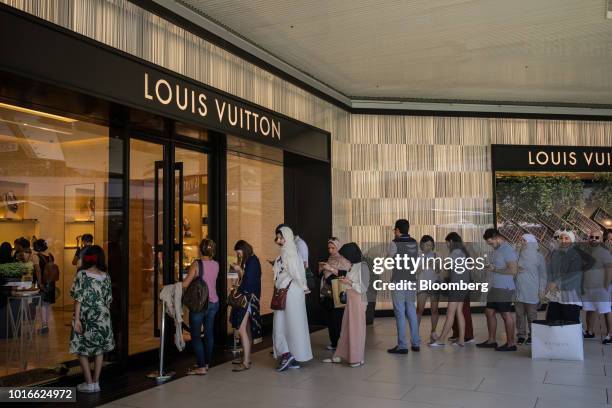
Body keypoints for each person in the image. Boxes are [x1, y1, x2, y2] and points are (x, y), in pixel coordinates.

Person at [69, 245, 114, 393]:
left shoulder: (82, 274)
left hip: (86, 315)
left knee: (82, 348)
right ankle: (96, 382)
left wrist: (76, 320)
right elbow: (108, 300)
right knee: (99, 349)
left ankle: (88, 383)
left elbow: (78, 298)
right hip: (103, 316)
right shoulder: (106, 276)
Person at [272, 225, 313, 371]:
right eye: (278, 237)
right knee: (290, 325)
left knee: (284, 325)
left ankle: (288, 354)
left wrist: (303, 286)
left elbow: (296, 273)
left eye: (281, 237)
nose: (279, 240)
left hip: (289, 293)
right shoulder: (287, 253)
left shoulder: (290, 254)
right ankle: (291, 356)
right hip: (289, 292)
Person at [323, 242, 369, 367]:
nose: (343, 258)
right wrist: (346, 280)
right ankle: (340, 355)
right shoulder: (353, 265)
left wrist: (349, 282)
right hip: (351, 299)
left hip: (358, 301)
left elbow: (363, 287)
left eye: (345, 256)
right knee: (346, 328)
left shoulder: (363, 266)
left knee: (356, 330)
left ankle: (356, 358)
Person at [182, 239, 219, 375]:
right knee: (209, 334)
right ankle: (207, 363)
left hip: (200, 304)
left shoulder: (196, 264)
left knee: (196, 335)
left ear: (200, 250)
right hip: (214, 303)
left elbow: (185, 284)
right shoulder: (216, 264)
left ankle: (201, 366)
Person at [477, 228, 518, 351]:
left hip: (504, 288)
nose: (490, 245)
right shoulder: (497, 250)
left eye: (491, 242)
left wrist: (495, 269)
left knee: (506, 314)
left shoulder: (507, 249)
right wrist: (490, 267)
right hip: (495, 287)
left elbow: (513, 270)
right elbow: (498, 266)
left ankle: (511, 344)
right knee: (489, 312)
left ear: (497, 237)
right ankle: (491, 340)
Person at [387, 219, 421, 354]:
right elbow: (418, 261)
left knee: (400, 312)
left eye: (395, 230)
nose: (394, 232)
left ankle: (402, 345)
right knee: (411, 310)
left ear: (398, 230)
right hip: (411, 280)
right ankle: (416, 343)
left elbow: (389, 259)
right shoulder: (414, 242)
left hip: (398, 280)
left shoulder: (394, 243)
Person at [429, 233, 469, 348]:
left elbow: (447, 266)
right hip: (463, 286)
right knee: (459, 312)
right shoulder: (462, 252)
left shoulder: (455, 252)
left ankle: (441, 340)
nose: (446, 245)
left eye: (446, 242)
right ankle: (461, 340)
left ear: (451, 241)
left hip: (457, 286)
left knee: (450, 313)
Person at [229, 240, 262, 372]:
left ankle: (246, 361)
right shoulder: (252, 260)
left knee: (242, 329)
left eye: (239, 252)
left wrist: (239, 270)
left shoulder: (252, 262)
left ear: (244, 249)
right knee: (247, 328)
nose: (239, 255)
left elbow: (247, 281)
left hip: (247, 299)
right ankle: (246, 356)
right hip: (250, 298)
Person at [319, 237, 351, 350]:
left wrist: (330, 268)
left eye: (333, 247)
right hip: (328, 293)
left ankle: (340, 344)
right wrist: (322, 268)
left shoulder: (343, 260)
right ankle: (334, 343)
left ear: (338, 247)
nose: (330, 250)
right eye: (329, 248)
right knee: (330, 320)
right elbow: (324, 275)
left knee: (337, 319)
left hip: (337, 292)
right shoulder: (329, 258)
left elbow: (344, 273)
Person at [514, 234, 547, 345]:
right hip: (518, 289)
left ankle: (533, 335)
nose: (521, 242)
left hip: (532, 289)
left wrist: (541, 290)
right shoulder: (517, 253)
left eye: (524, 240)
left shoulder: (538, 256)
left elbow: (543, 275)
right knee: (519, 314)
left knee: (531, 314)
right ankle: (521, 335)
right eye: (521, 240)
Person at [544, 230, 582, 323]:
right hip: (555, 295)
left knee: (569, 323)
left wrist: (555, 283)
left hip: (570, 295)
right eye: (561, 238)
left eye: (566, 238)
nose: (563, 240)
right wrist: (548, 283)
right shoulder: (555, 253)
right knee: (553, 321)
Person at [582, 229, 612, 341]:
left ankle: (610, 334)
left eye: (597, 237)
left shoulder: (604, 253)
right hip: (588, 287)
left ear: (600, 240)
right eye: (592, 237)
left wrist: (605, 287)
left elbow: (609, 270)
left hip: (601, 288)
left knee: (606, 310)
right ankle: (589, 331)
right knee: (590, 309)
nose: (594, 239)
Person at [415, 235, 440, 343]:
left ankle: (433, 332)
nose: (429, 247)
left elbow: (439, 271)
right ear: (422, 245)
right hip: (422, 284)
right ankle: (415, 333)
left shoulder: (435, 255)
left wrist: (435, 266)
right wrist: (425, 264)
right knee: (420, 309)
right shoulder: (417, 256)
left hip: (434, 284)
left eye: (430, 245)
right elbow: (415, 272)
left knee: (434, 310)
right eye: (426, 245)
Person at [32, 239, 56, 334]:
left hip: (42, 281)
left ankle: (44, 325)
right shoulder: (50, 255)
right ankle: (45, 324)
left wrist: (40, 282)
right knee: (47, 304)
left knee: (42, 303)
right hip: (51, 282)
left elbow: (37, 270)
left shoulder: (36, 256)